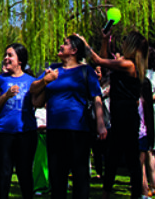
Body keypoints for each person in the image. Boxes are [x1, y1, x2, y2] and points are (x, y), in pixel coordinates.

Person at [30, 35, 106, 199]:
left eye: (65, 44)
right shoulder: (53, 69)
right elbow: (33, 90)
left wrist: (100, 123)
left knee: (80, 176)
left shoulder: (86, 71)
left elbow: (97, 98)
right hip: (55, 129)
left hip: (78, 130)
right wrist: (45, 80)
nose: (60, 46)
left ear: (74, 50)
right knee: (57, 176)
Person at [83, 30, 148, 199]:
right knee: (115, 156)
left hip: (125, 116)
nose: (123, 42)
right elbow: (105, 63)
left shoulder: (128, 65)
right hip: (121, 115)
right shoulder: (127, 64)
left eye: (126, 40)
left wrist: (84, 43)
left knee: (128, 158)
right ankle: (111, 192)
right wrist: (105, 40)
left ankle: (134, 193)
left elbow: (98, 60)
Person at [0, 43, 38, 199]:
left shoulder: (32, 81)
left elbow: (37, 103)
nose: (6, 58)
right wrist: (6, 96)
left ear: (20, 60)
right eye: (6, 55)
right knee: (4, 172)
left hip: (26, 132)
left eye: (10, 55)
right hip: (3, 133)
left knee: (25, 172)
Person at [143, 48, 155, 196]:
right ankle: (149, 184)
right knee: (148, 152)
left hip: (148, 115)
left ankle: (151, 184)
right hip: (148, 113)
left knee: (148, 150)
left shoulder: (153, 75)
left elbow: (148, 91)